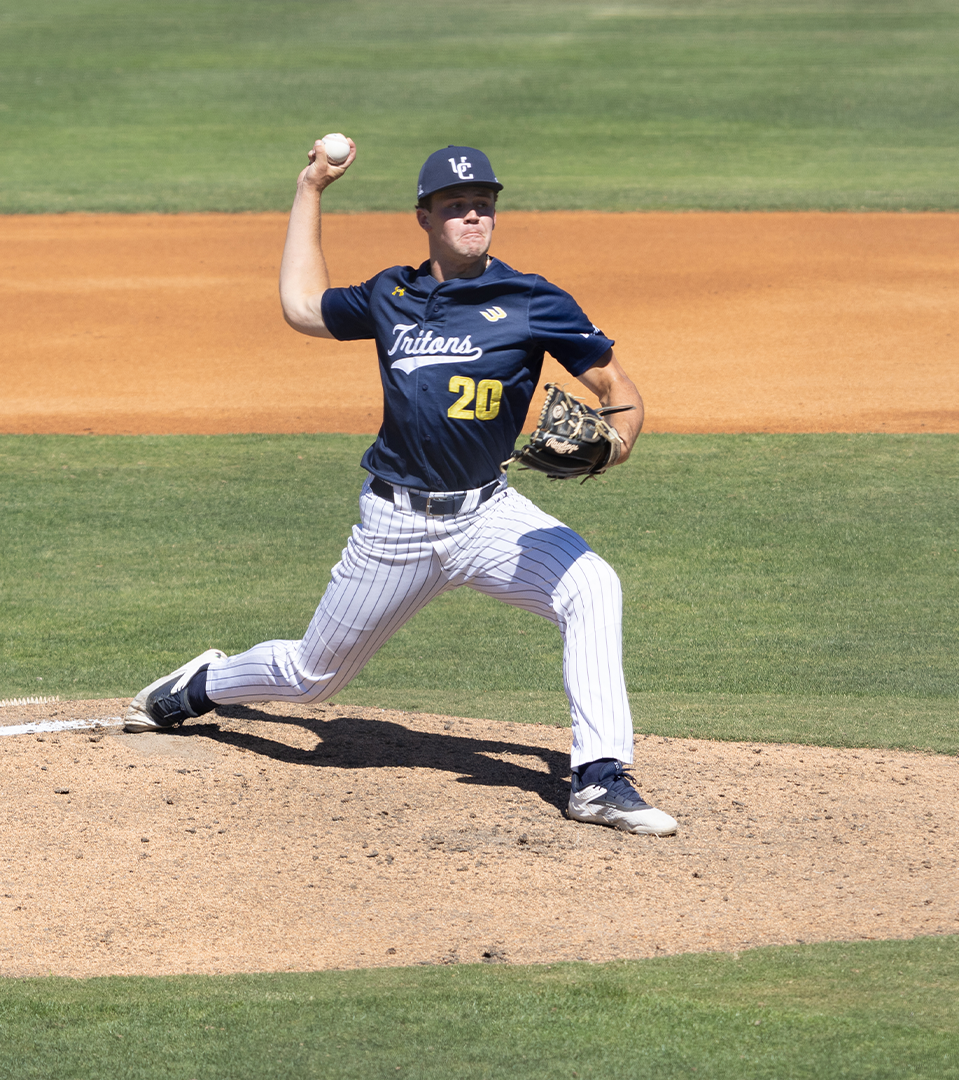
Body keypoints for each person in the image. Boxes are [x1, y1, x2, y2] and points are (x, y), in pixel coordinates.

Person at [129, 141, 676, 836]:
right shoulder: (391, 295)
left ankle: (598, 778)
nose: (473, 217)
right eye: (456, 207)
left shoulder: (533, 299)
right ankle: (198, 686)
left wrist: (620, 441)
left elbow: (615, 389)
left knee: (592, 586)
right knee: (313, 678)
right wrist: (311, 189)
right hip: (396, 526)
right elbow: (301, 306)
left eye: (483, 205)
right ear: (425, 218)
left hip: (489, 514)